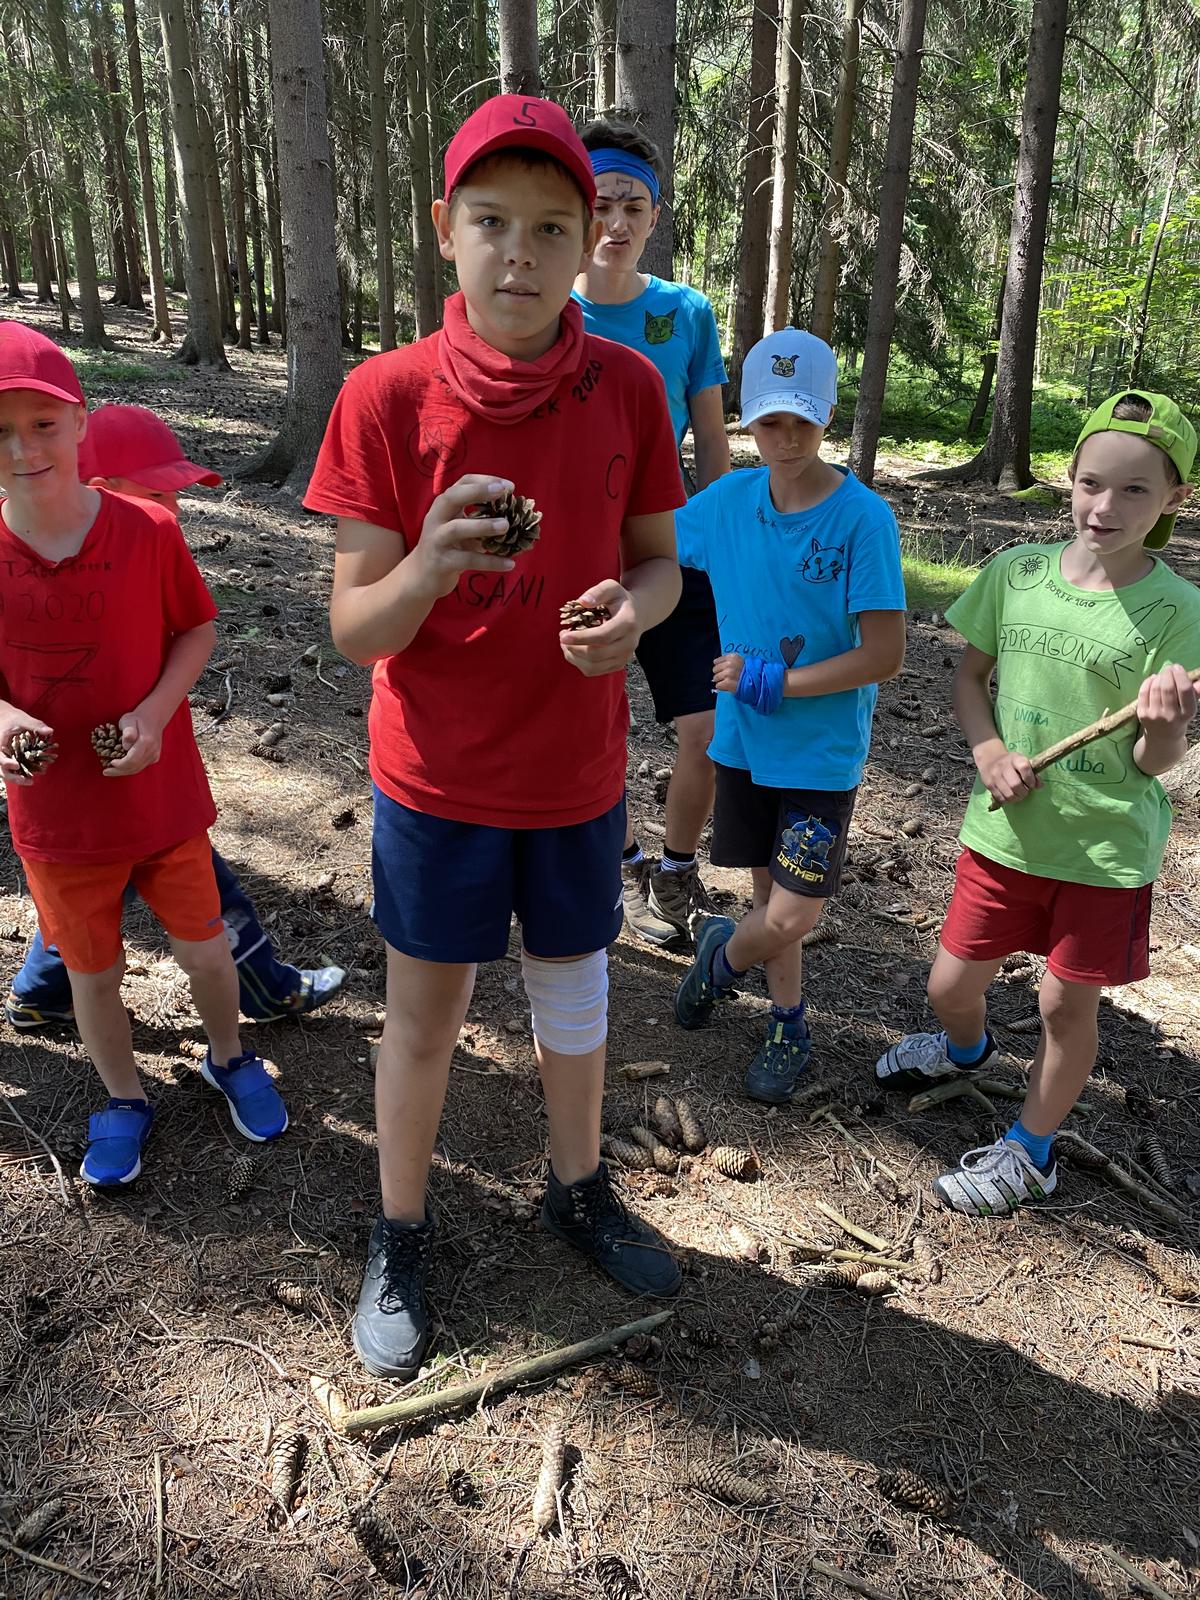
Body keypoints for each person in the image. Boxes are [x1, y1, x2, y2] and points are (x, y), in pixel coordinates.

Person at [304, 95, 687, 1380]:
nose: (519, 253)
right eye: (491, 222)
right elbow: (355, 627)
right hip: (439, 777)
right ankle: (399, 1228)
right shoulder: (385, 396)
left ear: (591, 241)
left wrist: (630, 615)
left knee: (574, 992)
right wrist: (427, 564)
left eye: (550, 227)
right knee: (425, 1015)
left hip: (574, 772)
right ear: (444, 231)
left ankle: (576, 1188)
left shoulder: (629, 388)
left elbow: (660, 565)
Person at [876, 390, 1199, 1214]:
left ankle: (1032, 1149)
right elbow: (969, 678)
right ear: (1070, 480)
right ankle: (965, 1050)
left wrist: (1166, 727)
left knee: (1063, 1004)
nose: (1105, 506)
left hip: (1103, 853)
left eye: (1135, 489)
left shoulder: (1180, 613)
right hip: (1004, 837)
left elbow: (1153, 763)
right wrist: (989, 751)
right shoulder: (1016, 573)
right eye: (1092, 482)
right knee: (950, 986)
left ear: (1175, 497)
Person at [0, 323, 289, 1185]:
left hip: (160, 801)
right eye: (1, 431)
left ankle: (230, 1056)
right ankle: (123, 1097)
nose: (24, 449)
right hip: (58, 820)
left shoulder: (145, 530)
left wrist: (157, 715)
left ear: (80, 423)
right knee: (93, 975)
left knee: (205, 949)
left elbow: (195, 628)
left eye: (43, 425)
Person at [4, 402, 346, 1031]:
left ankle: (39, 992)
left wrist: (155, 711)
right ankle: (266, 991)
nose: (177, 510)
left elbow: (190, 630)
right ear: (102, 489)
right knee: (121, 895)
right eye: (161, 493)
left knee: (122, 891)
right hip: (77, 799)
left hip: (155, 783)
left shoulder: (147, 545)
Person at [670, 329, 907, 1104]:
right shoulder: (728, 502)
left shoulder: (862, 520)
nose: (787, 438)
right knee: (767, 900)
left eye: (803, 420)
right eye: (771, 421)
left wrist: (781, 681)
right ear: (749, 419)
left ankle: (719, 960)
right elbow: (649, 540)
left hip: (819, 754)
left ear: (828, 414)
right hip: (743, 745)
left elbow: (885, 654)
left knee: (792, 913)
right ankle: (788, 1023)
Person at [572, 114, 731, 949]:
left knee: (704, 724)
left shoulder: (686, 312)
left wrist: (730, 541)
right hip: (579, 554)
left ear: (655, 215)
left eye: (633, 207)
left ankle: (675, 868)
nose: (617, 223)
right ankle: (623, 863)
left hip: (675, 549)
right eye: (600, 205)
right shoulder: (547, 308)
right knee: (594, 726)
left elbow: (711, 441)